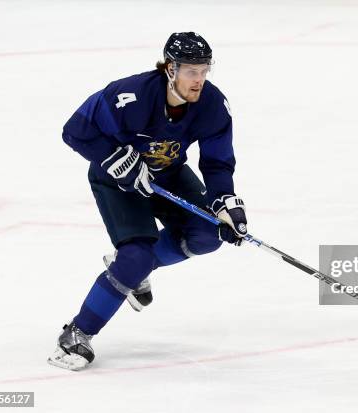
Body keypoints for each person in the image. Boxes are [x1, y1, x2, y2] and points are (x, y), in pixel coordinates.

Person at [48, 32, 248, 371]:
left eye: (204, 71)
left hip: (167, 175)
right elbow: (75, 129)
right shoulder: (131, 96)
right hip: (117, 182)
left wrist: (224, 202)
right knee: (135, 255)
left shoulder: (212, 104)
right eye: (191, 72)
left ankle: (133, 269)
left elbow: (216, 162)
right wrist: (112, 158)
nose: (199, 80)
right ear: (171, 69)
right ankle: (76, 334)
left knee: (207, 234)